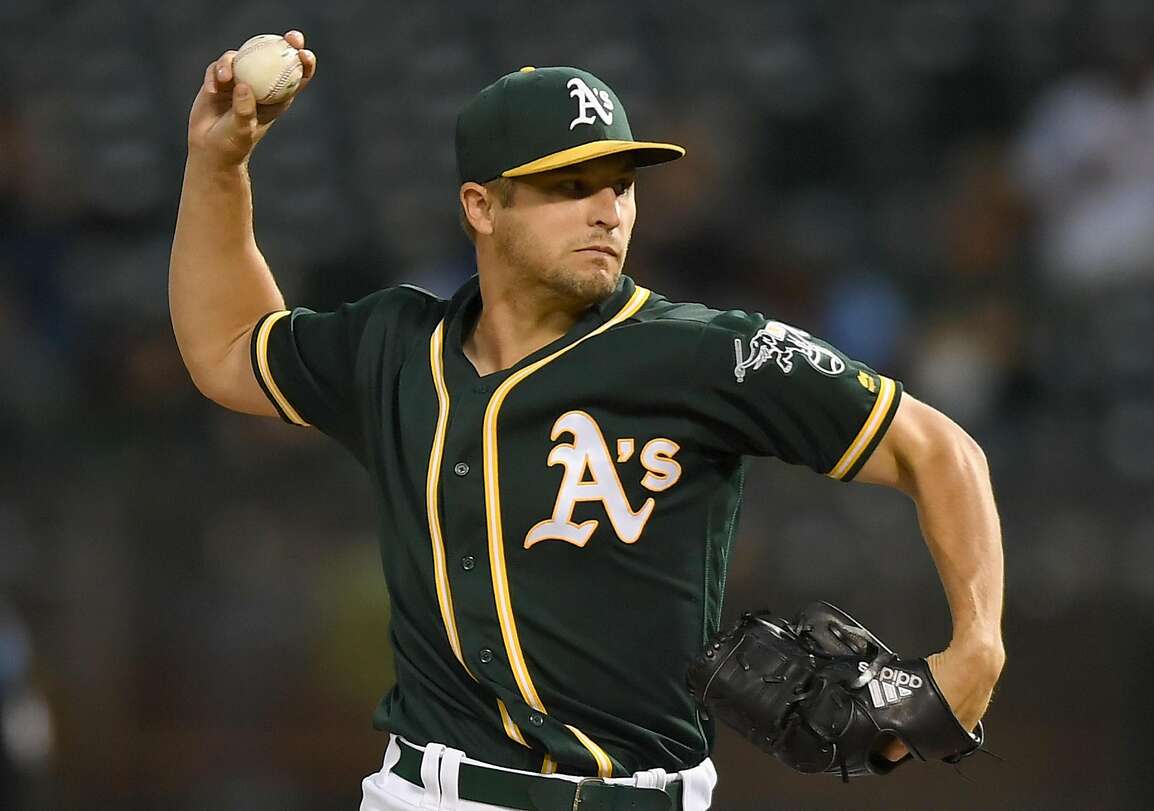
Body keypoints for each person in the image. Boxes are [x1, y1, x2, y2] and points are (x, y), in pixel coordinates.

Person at [170, 30, 1005, 811]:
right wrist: (220, 164)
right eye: (569, 187)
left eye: (621, 185)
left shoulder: (711, 354)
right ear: (482, 206)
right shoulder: (394, 347)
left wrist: (979, 644)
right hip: (429, 792)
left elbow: (937, 448)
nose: (607, 210)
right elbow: (228, 347)